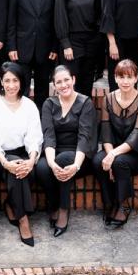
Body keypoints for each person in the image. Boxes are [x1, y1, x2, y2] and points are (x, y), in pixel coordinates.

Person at [0, 62, 44, 246]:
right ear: (0, 81)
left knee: (22, 168)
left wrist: (32, 160)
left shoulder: (29, 106)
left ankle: (11, 204)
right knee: (16, 170)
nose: (11, 85)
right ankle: (23, 219)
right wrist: (5, 162)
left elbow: (35, 136)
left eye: (15, 80)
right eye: (6, 80)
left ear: (21, 82)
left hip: (24, 154)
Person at [36, 65, 96, 237]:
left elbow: (84, 138)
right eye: (58, 82)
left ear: (73, 80)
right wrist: (51, 162)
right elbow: (48, 135)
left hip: (80, 155)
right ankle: (53, 204)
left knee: (64, 159)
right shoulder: (49, 104)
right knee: (41, 168)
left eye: (66, 80)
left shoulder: (85, 103)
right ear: (54, 85)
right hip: (54, 152)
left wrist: (76, 165)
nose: (63, 85)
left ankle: (63, 209)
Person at [92, 59, 138, 229]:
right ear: (115, 78)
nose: (125, 81)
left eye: (129, 77)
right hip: (113, 148)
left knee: (119, 162)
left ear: (136, 78)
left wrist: (112, 156)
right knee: (97, 161)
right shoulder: (108, 98)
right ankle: (109, 203)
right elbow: (106, 133)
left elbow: (136, 137)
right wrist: (109, 154)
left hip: (135, 153)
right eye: (121, 77)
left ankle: (122, 204)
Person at [7, 0, 59, 108]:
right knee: (21, 88)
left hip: (45, 48)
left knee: (43, 90)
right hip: (22, 47)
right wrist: (11, 46)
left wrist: (55, 47)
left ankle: (41, 125)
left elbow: (56, 21)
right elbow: (11, 19)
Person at [54, 0, 102, 95]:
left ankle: (85, 114)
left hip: (91, 42)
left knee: (87, 80)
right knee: (71, 82)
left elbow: (98, 17)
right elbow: (60, 19)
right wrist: (66, 44)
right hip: (72, 42)